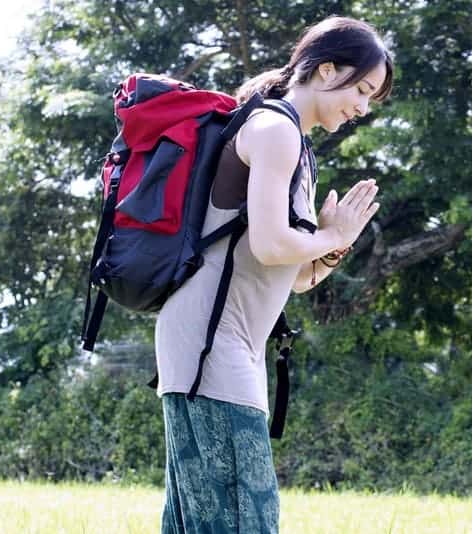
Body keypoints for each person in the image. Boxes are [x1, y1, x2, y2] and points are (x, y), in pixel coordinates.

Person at [154, 16, 393, 534]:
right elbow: (268, 245)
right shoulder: (273, 130)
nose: (364, 107)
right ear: (326, 70)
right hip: (210, 346)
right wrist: (332, 236)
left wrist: (333, 247)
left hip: (221, 344)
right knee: (245, 520)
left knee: (202, 522)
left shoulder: (295, 145)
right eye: (362, 89)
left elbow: (293, 275)